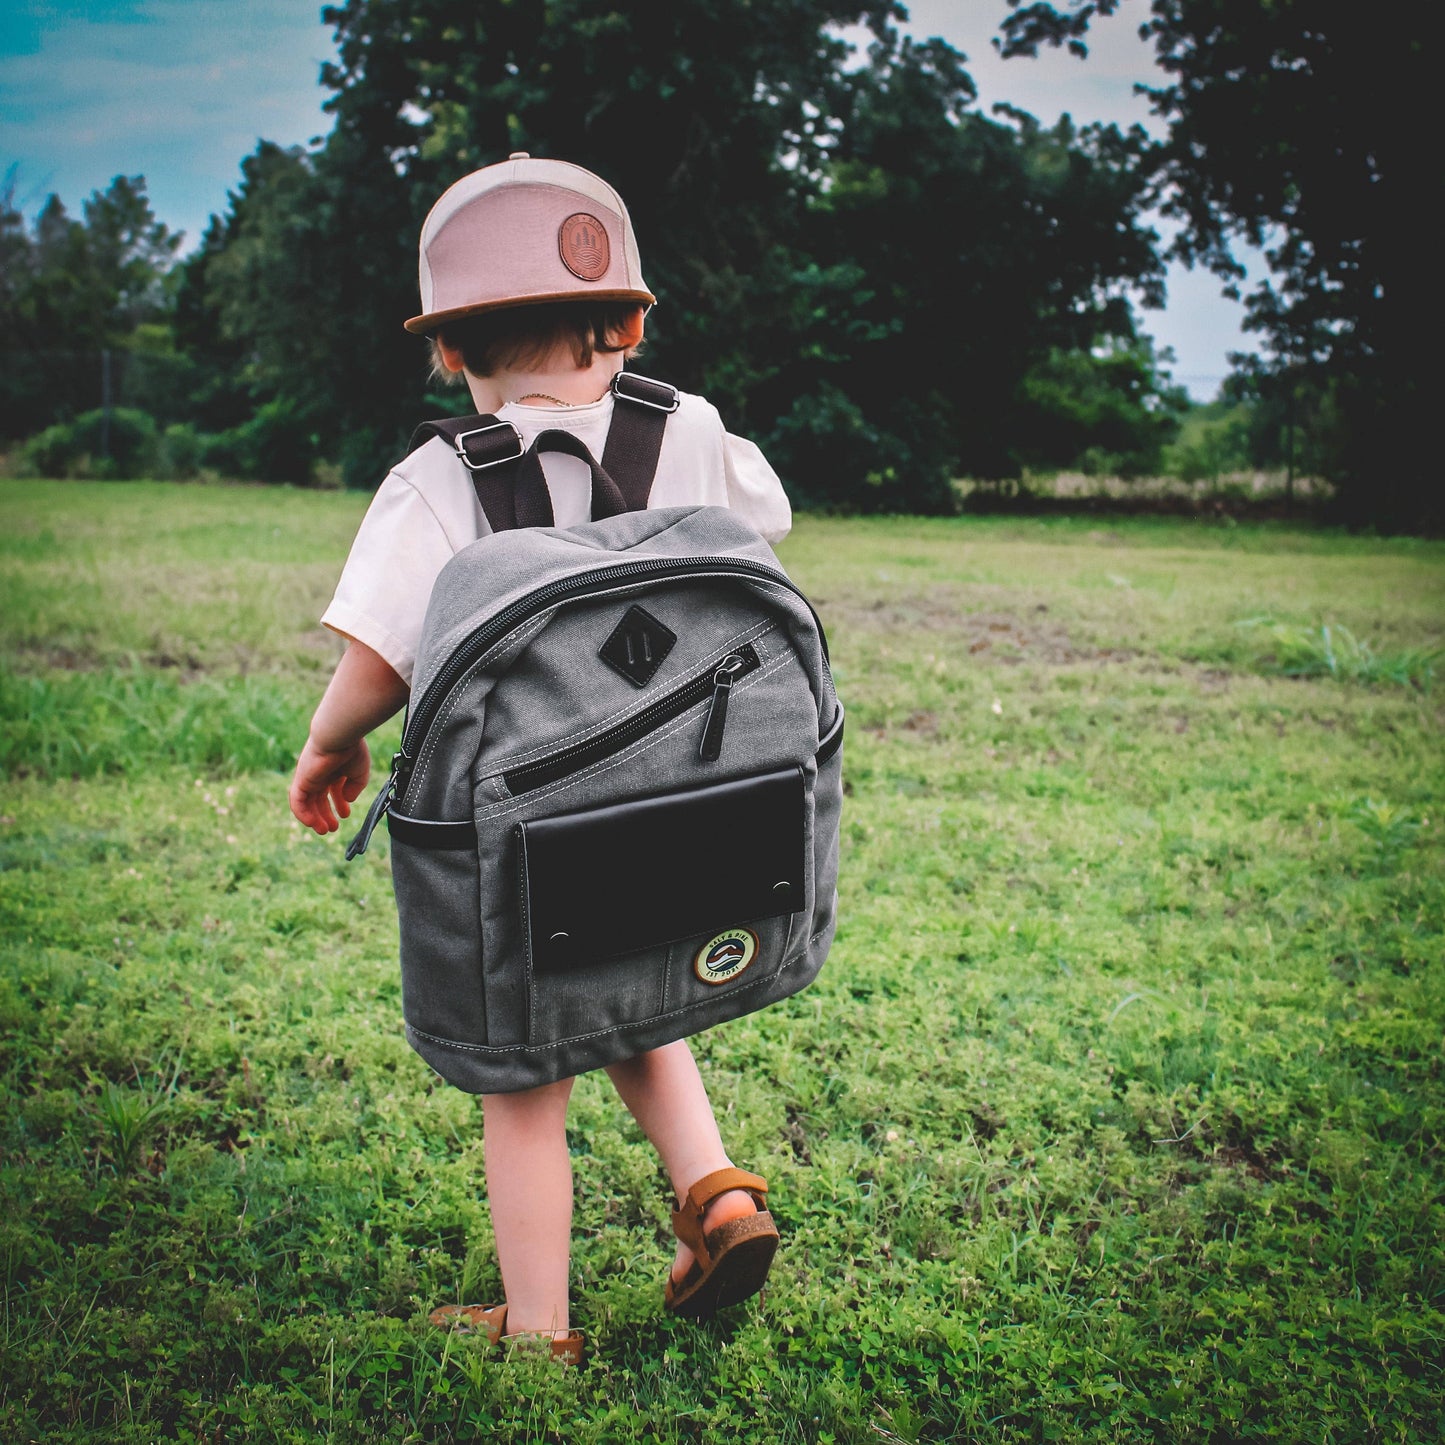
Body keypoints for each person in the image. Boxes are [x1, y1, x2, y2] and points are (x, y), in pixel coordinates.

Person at [287, 154, 793, 1363]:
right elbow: (754, 548)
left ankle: (536, 1330)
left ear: (450, 350)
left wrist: (328, 743)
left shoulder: (438, 482)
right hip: (685, 806)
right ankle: (715, 1190)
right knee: (628, 998)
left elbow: (380, 658)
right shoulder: (697, 431)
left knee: (524, 1086)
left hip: (524, 838)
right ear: (627, 319)